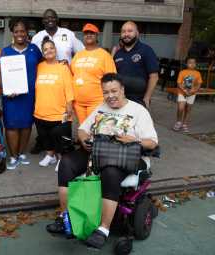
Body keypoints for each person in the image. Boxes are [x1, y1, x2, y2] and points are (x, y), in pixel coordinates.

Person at [46, 73, 158, 249]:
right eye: (106, 92)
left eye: (114, 91)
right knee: (66, 163)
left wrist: (134, 140)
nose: (110, 96)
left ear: (122, 90)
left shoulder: (138, 111)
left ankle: (103, 229)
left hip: (125, 154)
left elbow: (152, 142)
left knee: (110, 172)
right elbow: (83, 130)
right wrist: (84, 140)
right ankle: (65, 218)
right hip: (98, 151)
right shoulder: (101, 108)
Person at [30, 8, 84, 154]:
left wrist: (71, 66)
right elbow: (32, 57)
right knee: (45, 114)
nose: (49, 20)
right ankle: (45, 145)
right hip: (45, 79)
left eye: (52, 17)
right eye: (46, 18)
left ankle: (64, 148)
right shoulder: (37, 37)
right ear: (42, 21)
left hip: (64, 78)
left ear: (57, 19)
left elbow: (81, 52)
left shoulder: (68, 34)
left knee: (63, 117)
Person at [1, 19, 42, 170]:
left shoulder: (34, 49)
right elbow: (1, 73)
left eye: (22, 31)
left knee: (26, 124)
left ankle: (21, 153)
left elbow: (44, 65)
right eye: (17, 31)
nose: (20, 34)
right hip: (11, 96)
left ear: (27, 33)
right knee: (11, 125)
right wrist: (6, 89)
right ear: (12, 33)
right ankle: (13, 156)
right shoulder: (5, 51)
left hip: (29, 95)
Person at [34, 37, 74, 171]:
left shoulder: (63, 67)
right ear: (42, 52)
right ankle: (50, 155)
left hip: (59, 111)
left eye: (51, 48)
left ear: (56, 50)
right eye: (45, 49)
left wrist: (69, 104)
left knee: (60, 137)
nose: (49, 51)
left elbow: (69, 87)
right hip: (41, 110)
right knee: (44, 135)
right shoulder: (39, 67)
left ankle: (61, 158)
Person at [71, 23, 117, 124]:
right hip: (78, 103)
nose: (89, 35)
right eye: (86, 33)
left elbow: (112, 79)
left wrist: (111, 99)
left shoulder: (105, 55)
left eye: (92, 33)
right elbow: (72, 74)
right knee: (83, 129)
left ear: (97, 36)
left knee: (94, 131)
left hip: (97, 102)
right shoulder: (78, 55)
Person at [114, 21, 159, 108]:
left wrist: (147, 97)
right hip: (120, 100)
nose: (126, 34)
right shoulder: (118, 54)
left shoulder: (146, 50)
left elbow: (154, 77)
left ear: (137, 33)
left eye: (130, 31)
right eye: (123, 31)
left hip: (139, 101)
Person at [172, 57, 203, 133]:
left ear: (195, 64)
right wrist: (184, 90)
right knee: (180, 108)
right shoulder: (182, 72)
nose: (192, 64)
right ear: (186, 64)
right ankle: (178, 122)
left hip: (192, 94)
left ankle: (184, 124)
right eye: (190, 62)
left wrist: (194, 90)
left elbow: (199, 84)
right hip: (182, 93)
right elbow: (179, 83)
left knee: (188, 109)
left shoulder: (197, 73)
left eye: (194, 63)